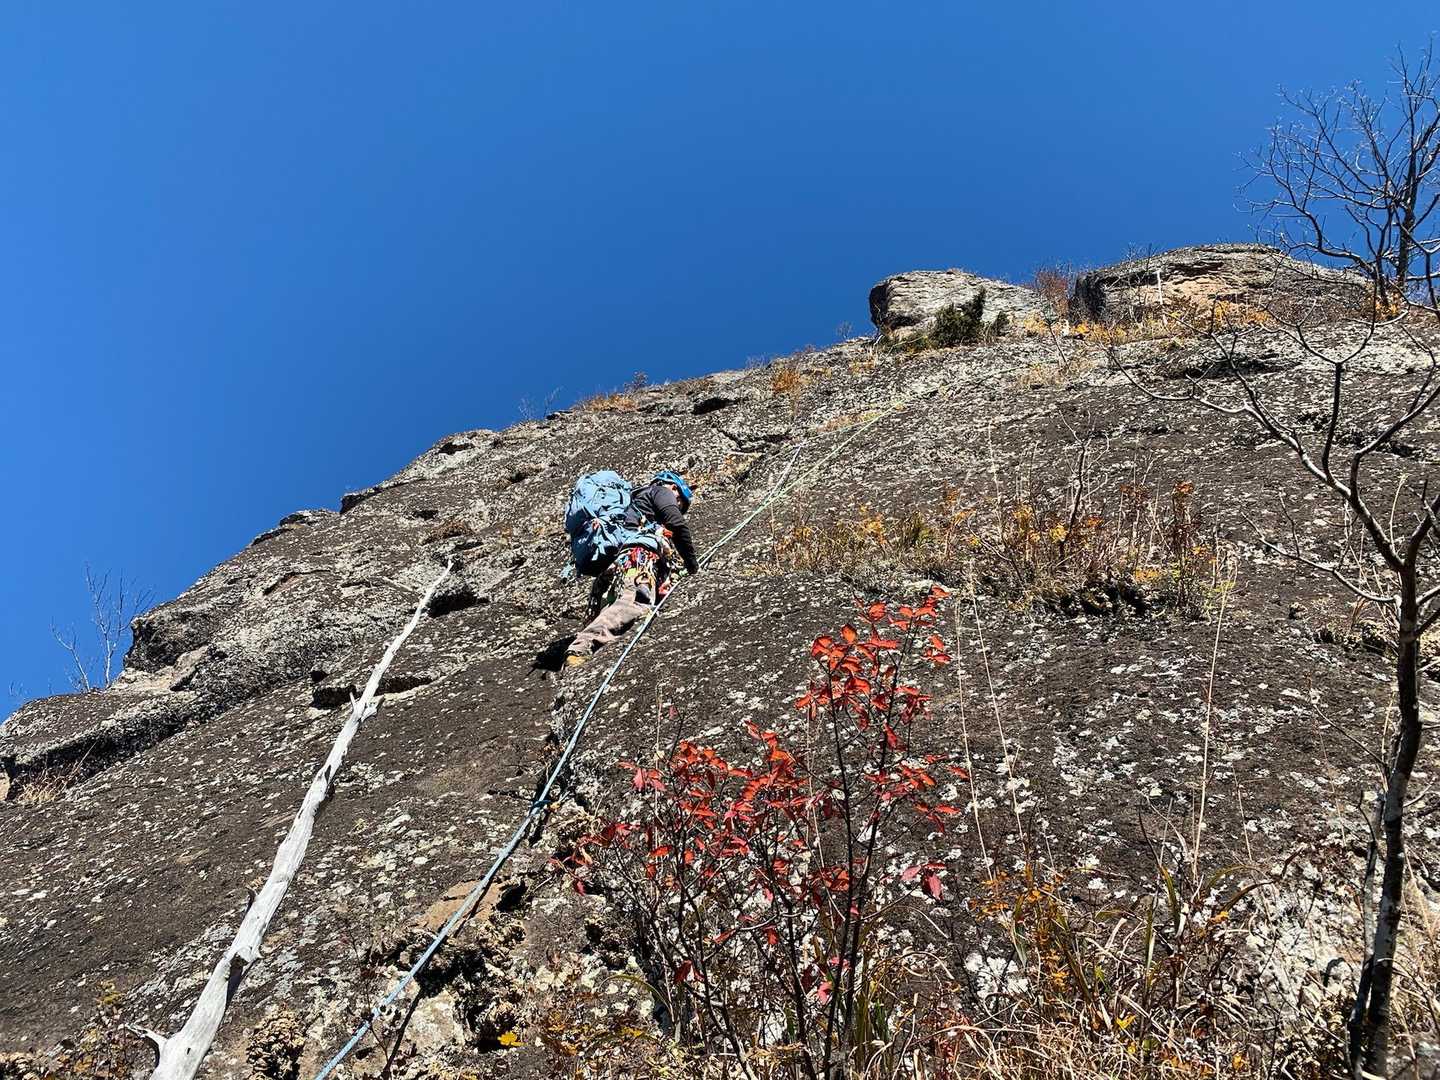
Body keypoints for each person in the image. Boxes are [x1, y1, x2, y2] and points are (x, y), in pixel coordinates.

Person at [565, 471, 697, 665]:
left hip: (613, 567)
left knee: (615, 614)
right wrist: (693, 566)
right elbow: (677, 524)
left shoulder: (631, 503)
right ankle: (583, 645)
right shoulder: (661, 491)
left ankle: (584, 658)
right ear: (675, 488)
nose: (677, 507)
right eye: (680, 503)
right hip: (636, 559)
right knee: (635, 604)